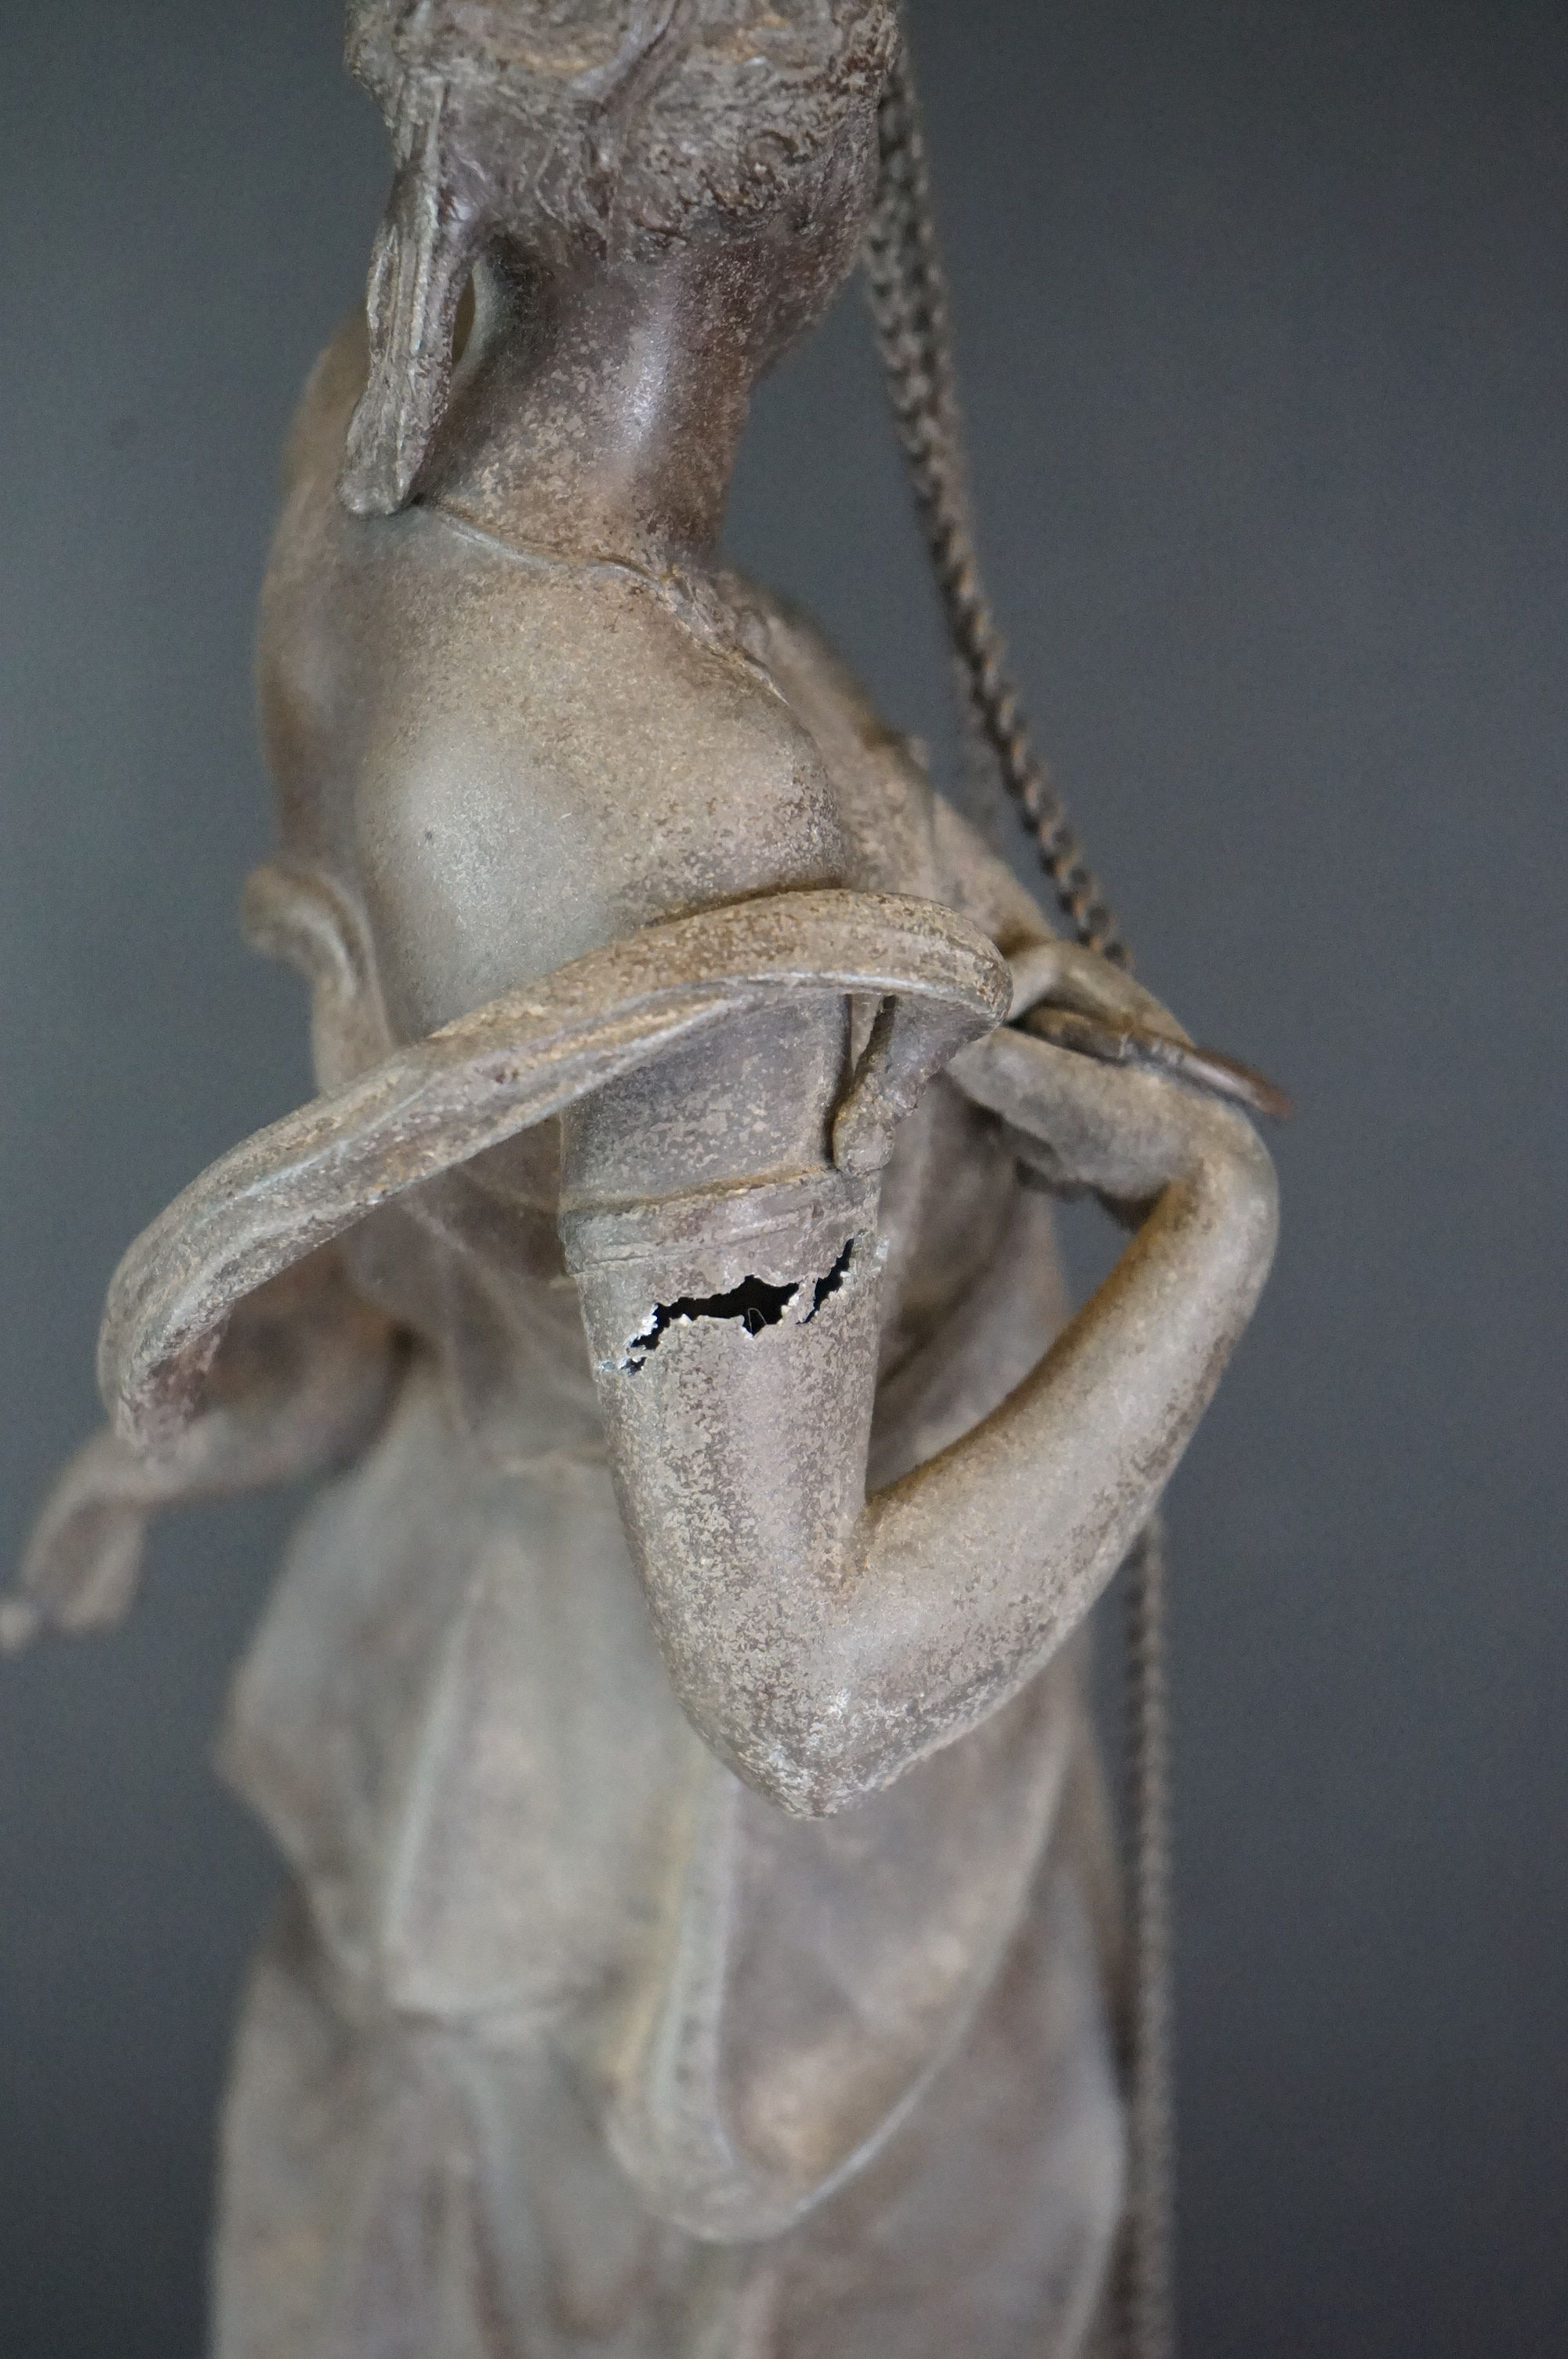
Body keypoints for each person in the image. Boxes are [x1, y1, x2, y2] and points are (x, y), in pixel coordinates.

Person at [16, 9, 1276, 2351]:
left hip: (451, 1701)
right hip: (699, 1918)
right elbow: (798, 1688)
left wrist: (971, 958)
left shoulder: (354, 496)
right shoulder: (695, 829)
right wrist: (1214, 1237)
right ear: (825, 221)